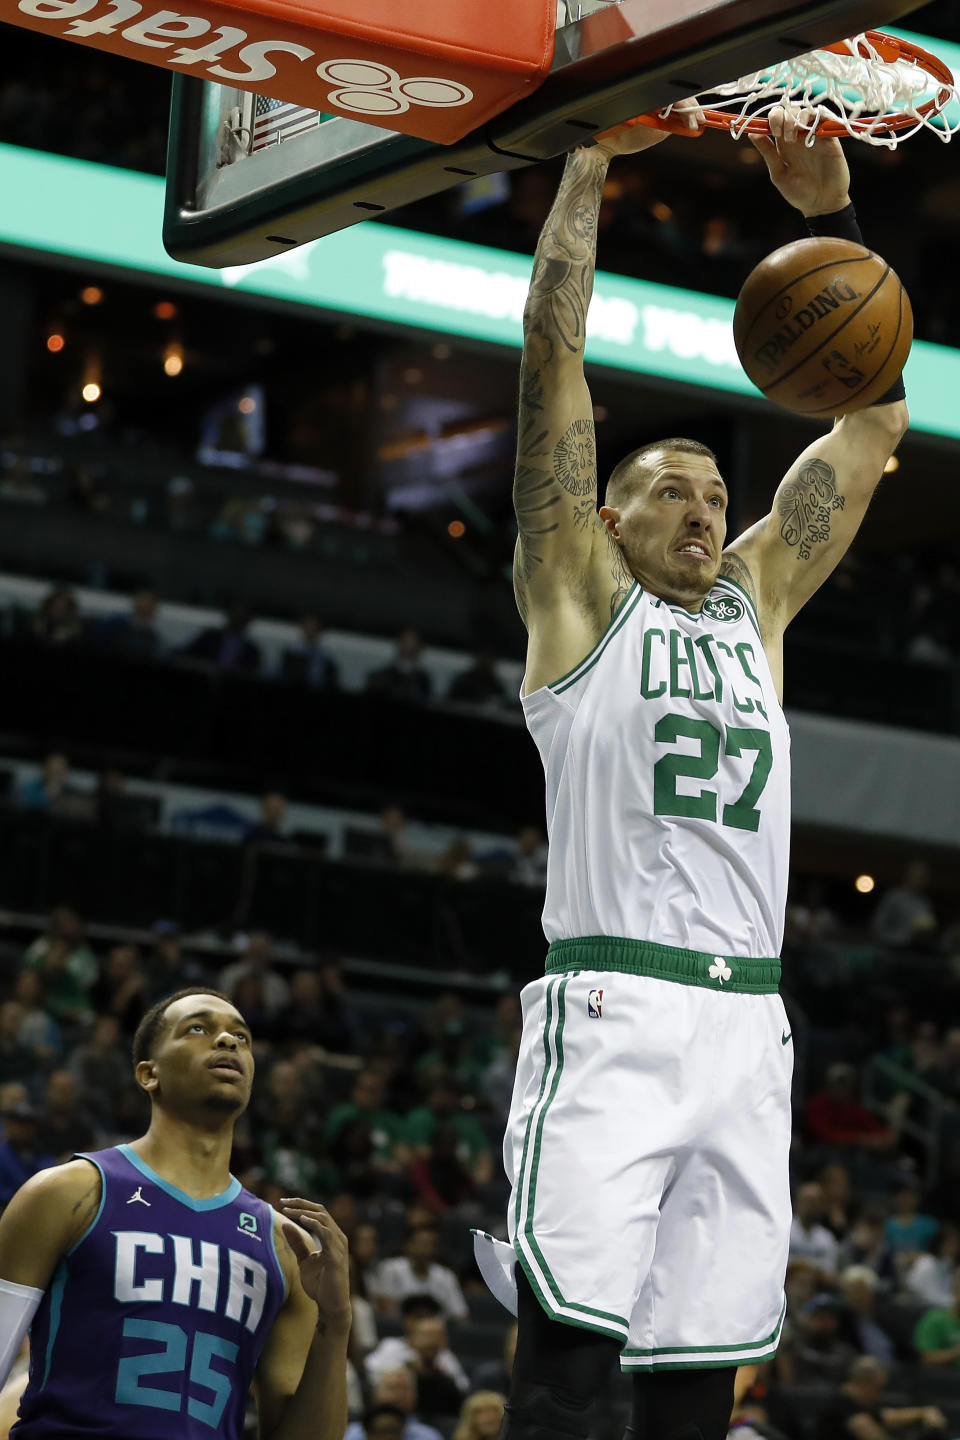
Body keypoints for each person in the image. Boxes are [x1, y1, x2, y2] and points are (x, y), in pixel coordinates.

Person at [472, 103, 909, 1440]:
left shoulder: (754, 603)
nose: (707, 512)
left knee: (695, 1378)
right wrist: (590, 162)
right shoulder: (576, 599)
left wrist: (827, 216)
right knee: (568, 1350)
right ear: (608, 516)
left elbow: (873, 427)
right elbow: (555, 363)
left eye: (719, 495)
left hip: (747, 1024)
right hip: (616, 1001)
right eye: (674, 491)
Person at [0, 985, 352, 1438]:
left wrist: (336, 1322)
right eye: (199, 1029)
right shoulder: (69, 1192)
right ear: (149, 1073)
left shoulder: (288, 1247)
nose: (227, 1042)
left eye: (241, 1037)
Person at [815, 1356, 946, 1440]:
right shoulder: (843, 1405)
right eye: (877, 1388)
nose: (879, 1394)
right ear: (863, 1383)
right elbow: (867, 1430)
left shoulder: (860, 1402)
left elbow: (888, 1416)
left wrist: (923, 1412)